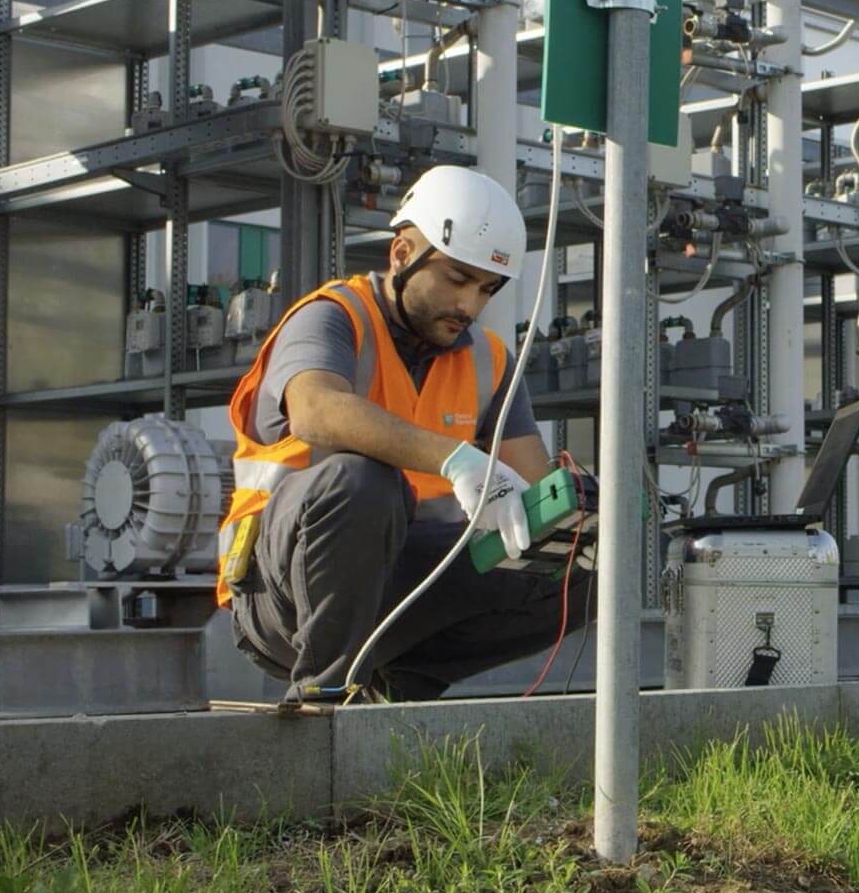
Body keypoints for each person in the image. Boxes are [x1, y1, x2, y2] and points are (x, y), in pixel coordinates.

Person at [217, 165, 595, 704]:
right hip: (280, 595)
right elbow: (315, 410)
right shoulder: (332, 318)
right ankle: (324, 693)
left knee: (582, 564)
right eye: (457, 279)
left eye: (486, 289)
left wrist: (579, 514)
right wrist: (456, 459)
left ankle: (403, 685)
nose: (469, 305)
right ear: (401, 254)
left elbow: (534, 494)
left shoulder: (488, 362)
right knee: (362, 480)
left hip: (402, 588)